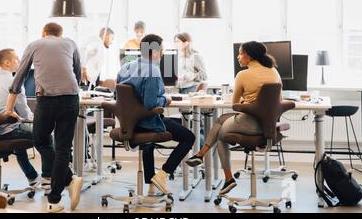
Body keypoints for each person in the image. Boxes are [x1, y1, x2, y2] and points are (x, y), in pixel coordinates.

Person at [5, 22, 83, 213]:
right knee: (64, 148)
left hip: (47, 100)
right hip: (71, 98)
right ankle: (55, 200)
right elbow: (78, 73)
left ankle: (70, 179)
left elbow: (20, 75)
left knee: (40, 141)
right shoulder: (71, 43)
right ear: (60, 34)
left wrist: (11, 100)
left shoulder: (35, 44)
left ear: (44, 33)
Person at [185, 41, 282, 195]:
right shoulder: (274, 72)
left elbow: (235, 104)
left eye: (240, 53)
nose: (238, 57)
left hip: (250, 123)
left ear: (248, 56)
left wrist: (245, 101)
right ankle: (201, 155)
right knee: (221, 119)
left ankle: (226, 176)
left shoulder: (243, 75)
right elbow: (278, 100)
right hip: (268, 123)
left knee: (221, 133)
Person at [117, 34, 195, 195]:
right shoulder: (152, 70)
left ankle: (151, 183)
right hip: (148, 124)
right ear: (156, 51)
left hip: (129, 124)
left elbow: (118, 97)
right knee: (189, 137)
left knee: (149, 143)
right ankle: (163, 174)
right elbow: (151, 104)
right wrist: (165, 99)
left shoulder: (125, 67)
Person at [0, 48, 40, 188]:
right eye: (16, 59)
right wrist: (32, 117)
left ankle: (32, 176)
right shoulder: (14, 81)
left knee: (19, 135)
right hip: (6, 131)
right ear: (7, 62)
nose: (19, 62)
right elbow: (24, 112)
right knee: (45, 135)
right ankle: (49, 177)